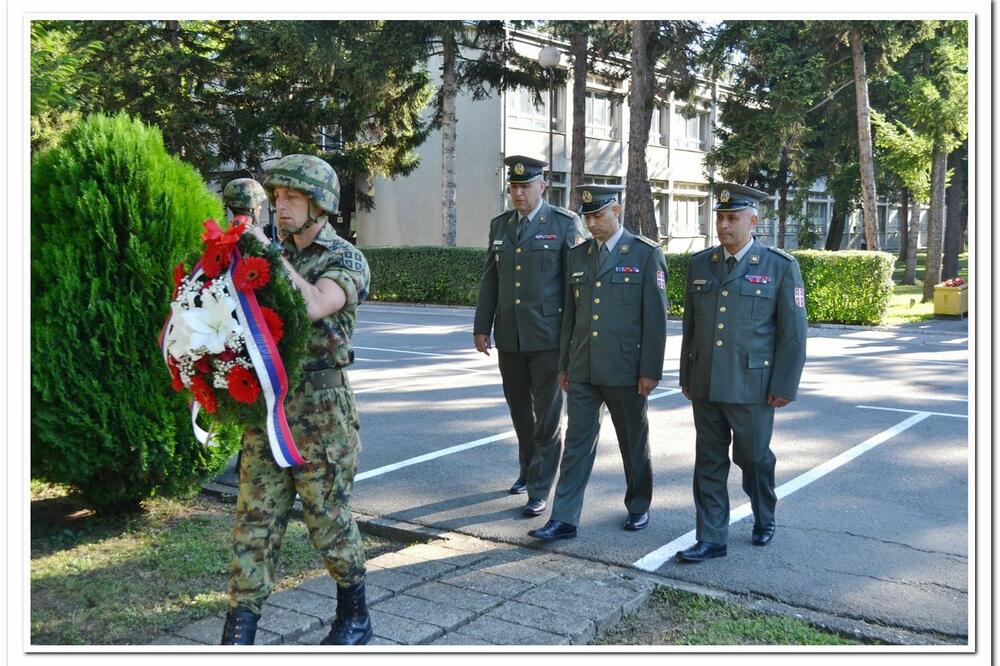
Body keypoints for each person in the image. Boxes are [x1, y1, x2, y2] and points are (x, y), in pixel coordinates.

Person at [220, 154, 373, 645]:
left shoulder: (344, 258)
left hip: (321, 416)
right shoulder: (265, 254)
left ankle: (355, 616)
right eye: (277, 197)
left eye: (292, 198)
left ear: (320, 205)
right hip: (265, 410)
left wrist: (266, 253)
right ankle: (239, 629)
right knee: (254, 522)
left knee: (328, 522)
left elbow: (313, 304)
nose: (280, 206)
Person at [674, 182, 807, 564]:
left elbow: (793, 333)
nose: (724, 226)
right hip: (706, 383)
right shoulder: (702, 264)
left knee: (752, 458)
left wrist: (784, 384)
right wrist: (688, 374)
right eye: (720, 217)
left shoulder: (779, 266)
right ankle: (711, 538)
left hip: (753, 386)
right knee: (709, 462)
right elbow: (692, 327)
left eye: (733, 218)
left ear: (753, 220)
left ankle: (764, 513)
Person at [528, 184, 668, 540]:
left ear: (616, 211)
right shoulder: (577, 257)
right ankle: (564, 518)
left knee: (632, 441)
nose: (592, 224)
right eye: (587, 217)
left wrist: (650, 369)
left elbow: (656, 319)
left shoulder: (645, 254)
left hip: (626, 369)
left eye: (599, 215)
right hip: (584, 367)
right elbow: (569, 319)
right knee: (576, 444)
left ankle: (638, 505)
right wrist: (564, 366)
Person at [474, 155, 586, 517]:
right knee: (520, 412)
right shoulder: (500, 225)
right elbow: (491, 278)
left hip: (549, 338)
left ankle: (539, 487)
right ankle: (527, 469)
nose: (519, 194)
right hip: (510, 336)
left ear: (542, 186)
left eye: (525, 186)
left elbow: (576, 286)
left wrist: (575, 336)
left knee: (547, 416)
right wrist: (482, 325)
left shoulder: (565, 224)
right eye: (514, 187)